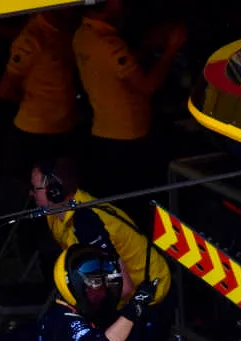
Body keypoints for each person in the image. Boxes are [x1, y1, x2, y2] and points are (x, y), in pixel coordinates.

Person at [33, 158, 172, 341]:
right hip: (107, 287)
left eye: (35, 189)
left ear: (55, 191)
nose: (31, 194)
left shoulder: (88, 223)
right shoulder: (54, 213)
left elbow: (124, 288)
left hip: (147, 288)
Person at [73, 0, 184, 196]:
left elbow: (113, 68)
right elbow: (147, 86)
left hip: (103, 130)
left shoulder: (82, 34)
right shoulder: (109, 43)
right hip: (128, 136)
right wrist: (170, 50)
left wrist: (146, 48)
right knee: (135, 196)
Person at [0, 11, 81, 169]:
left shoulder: (66, 31)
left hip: (65, 128)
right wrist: (36, 103)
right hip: (34, 133)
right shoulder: (32, 38)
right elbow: (5, 89)